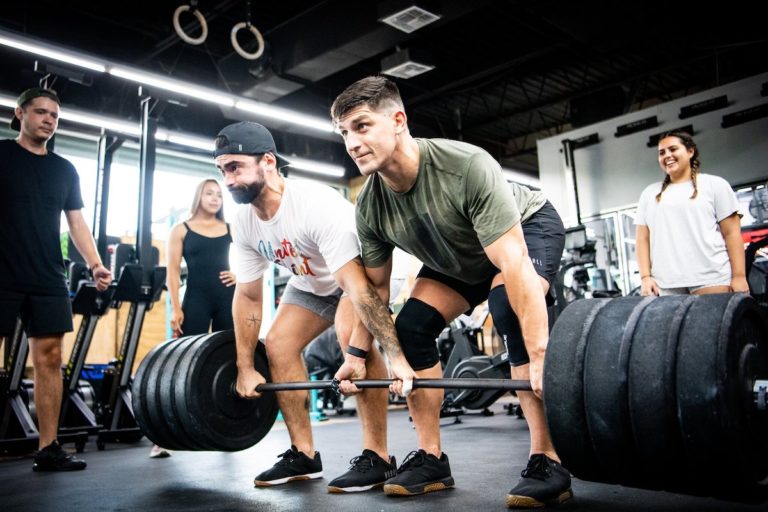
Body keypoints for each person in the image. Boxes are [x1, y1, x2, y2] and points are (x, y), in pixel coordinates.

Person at [330, 76, 571, 508]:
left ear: (398, 120)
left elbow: (512, 262)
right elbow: (373, 294)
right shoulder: (370, 204)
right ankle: (432, 458)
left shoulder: (465, 165)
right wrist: (355, 356)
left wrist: (540, 356)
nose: (352, 141)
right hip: (459, 258)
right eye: (344, 132)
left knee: (508, 309)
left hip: (526, 229)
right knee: (410, 328)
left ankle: (546, 458)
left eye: (362, 126)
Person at [214, 121, 416, 492]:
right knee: (278, 343)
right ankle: (303, 454)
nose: (227, 180)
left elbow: (358, 289)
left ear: (268, 162)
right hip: (312, 281)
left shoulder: (314, 205)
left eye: (235, 167)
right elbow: (248, 295)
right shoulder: (243, 221)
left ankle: (378, 456)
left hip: (365, 276)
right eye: (222, 169)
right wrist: (244, 366)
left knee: (349, 335)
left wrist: (369, 352)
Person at [0, 87, 112, 471]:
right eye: (41, 112)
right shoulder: (1, 154)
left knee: (50, 358)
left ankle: (48, 447)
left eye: (54, 116)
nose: (49, 120)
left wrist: (95, 263)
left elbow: (76, 222)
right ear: (20, 113)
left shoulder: (64, 169)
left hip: (48, 274)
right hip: (2, 272)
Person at [151, 178, 236, 458]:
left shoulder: (230, 228)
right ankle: (165, 436)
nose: (215, 199)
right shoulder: (181, 229)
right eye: (209, 193)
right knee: (184, 363)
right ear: (199, 196)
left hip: (227, 297)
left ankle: (225, 427)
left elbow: (254, 256)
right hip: (196, 299)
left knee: (228, 359)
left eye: (219, 195)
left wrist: (240, 275)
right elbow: (173, 272)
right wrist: (176, 308)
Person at [635, 130, 748, 296]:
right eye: (661, 153)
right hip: (665, 284)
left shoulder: (715, 185)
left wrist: (739, 276)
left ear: (690, 152)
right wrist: (645, 277)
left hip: (711, 277)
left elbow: (732, 233)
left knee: (712, 323)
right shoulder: (649, 193)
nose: (667, 155)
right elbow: (642, 239)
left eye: (673, 149)